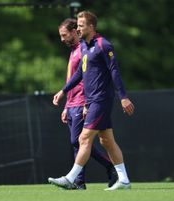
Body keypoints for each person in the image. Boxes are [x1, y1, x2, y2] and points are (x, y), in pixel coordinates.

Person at [48, 11, 135, 191]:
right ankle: (124, 180)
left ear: (91, 27)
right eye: (77, 25)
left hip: (101, 99)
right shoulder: (85, 47)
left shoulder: (104, 45)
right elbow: (79, 73)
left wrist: (124, 97)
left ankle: (71, 178)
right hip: (92, 101)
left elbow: (115, 72)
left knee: (84, 138)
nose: (78, 28)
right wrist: (63, 91)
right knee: (106, 141)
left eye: (80, 25)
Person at [57, 18, 117, 190]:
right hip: (72, 104)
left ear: (75, 31)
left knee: (79, 141)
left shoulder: (85, 49)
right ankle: (81, 181)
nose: (62, 39)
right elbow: (73, 79)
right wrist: (66, 105)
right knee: (80, 142)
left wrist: (86, 104)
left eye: (64, 35)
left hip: (83, 103)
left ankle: (97, 172)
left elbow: (88, 80)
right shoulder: (75, 51)